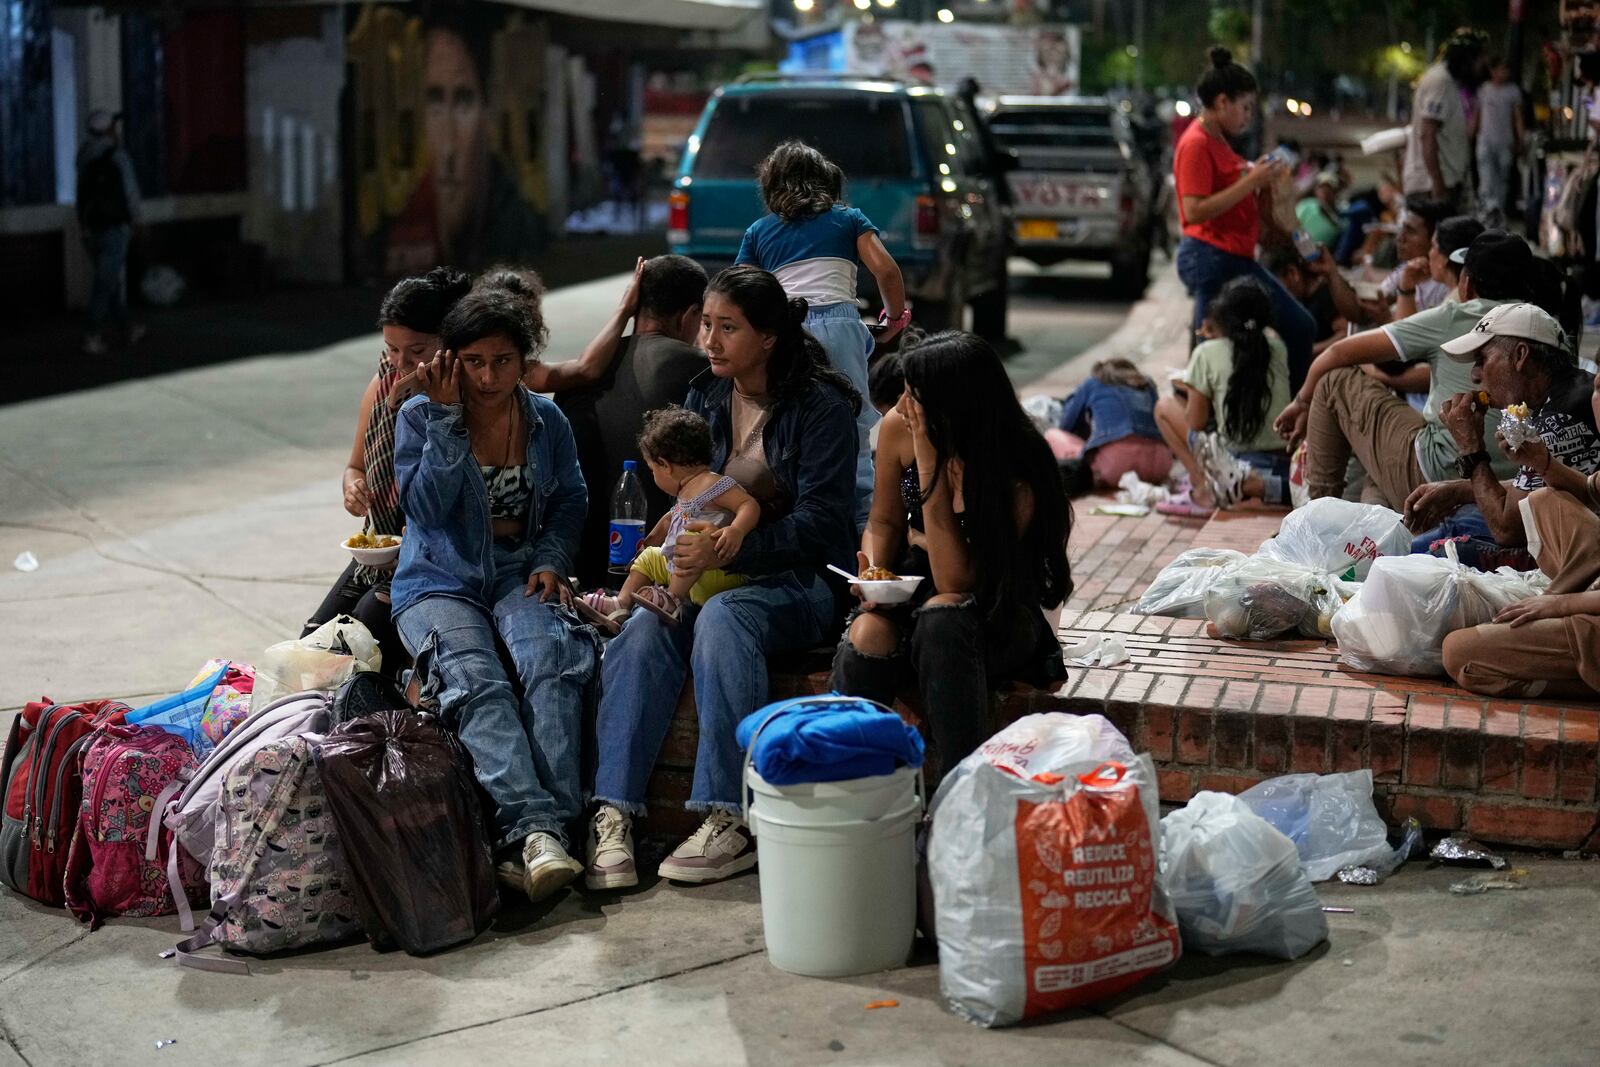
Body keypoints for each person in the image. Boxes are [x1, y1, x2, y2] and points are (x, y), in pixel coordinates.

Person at [586, 266, 859, 891]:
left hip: (801, 581)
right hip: (712, 576)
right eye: (706, 323)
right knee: (647, 627)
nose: (709, 339)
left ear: (768, 337)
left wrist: (729, 555)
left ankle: (727, 816)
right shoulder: (706, 395)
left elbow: (822, 524)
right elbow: (691, 493)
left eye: (727, 328)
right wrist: (673, 550)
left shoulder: (820, 408)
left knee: (724, 617)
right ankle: (614, 813)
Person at [390, 284, 597, 904]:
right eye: (474, 361)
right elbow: (424, 508)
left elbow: (570, 501)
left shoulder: (547, 419)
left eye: (502, 361)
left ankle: (547, 835)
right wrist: (449, 422)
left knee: (551, 662)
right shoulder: (418, 417)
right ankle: (534, 830)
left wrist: (554, 558)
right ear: (452, 359)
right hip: (437, 579)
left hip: (519, 569)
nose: (488, 376)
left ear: (523, 360)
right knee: (475, 678)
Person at [830, 331, 1070, 778]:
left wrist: (928, 466)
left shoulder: (1016, 469)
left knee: (943, 617)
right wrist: (876, 572)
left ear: (955, 404)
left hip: (995, 611)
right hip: (917, 594)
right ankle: (850, 787)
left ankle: (960, 791)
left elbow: (957, 582)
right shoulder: (902, 427)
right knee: (867, 633)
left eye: (914, 396)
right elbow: (882, 521)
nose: (901, 407)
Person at [1274, 230, 1534, 513]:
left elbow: (1339, 353)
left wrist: (1301, 402)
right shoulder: (1543, 322)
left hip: (1447, 470)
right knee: (1377, 469)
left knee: (1333, 382)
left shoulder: (1456, 314)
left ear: (1467, 283)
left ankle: (1316, 518)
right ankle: (1365, 535)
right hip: (1521, 478)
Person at [304, 267, 473, 675]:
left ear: (447, 341)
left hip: (436, 557)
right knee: (311, 643)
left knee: (361, 635)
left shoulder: (466, 398)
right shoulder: (384, 382)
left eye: (416, 351)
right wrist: (353, 488)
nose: (401, 363)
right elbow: (355, 465)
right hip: (379, 551)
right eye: (392, 349)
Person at [736, 140, 907, 528]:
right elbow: (886, 271)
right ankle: (864, 527)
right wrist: (895, 319)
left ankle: (797, 515)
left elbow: (741, 289)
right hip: (841, 326)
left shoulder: (760, 231)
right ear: (827, 184)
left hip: (785, 333)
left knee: (789, 422)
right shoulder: (849, 219)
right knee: (854, 424)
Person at [529, 255, 709, 588]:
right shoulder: (702, 371)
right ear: (691, 315)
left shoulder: (579, 373)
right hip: (662, 568)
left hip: (578, 563)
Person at [1173, 47, 1317, 392]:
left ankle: (1289, 412)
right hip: (1210, 256)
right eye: (1245, 107)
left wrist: (1257, 176)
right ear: (1222, 102)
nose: (1248, 116)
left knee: (1298, 328)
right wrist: (1251, 180)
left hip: (1234, 257)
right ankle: (1200, 429)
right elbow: (1193, 211)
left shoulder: (1218, 140)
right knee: (1207, 348)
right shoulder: (1195, 144)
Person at [1407, 303, 1600, 561]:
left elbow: (1506, 529)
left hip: (1584, 557)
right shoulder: (1569, 391)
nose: (1475, 376)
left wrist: (1471, 447)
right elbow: (1541, 486)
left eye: (1482, 359)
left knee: (1433, 550)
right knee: (1457, 519)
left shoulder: (1560, 420)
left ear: (1520, 356)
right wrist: (1457, 490)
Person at [382, 13, 545, 274]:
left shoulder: (516, 219)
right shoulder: (393, 215)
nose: (449, 147)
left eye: (464, 101)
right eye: (433, 102)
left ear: (487, 116)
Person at [577, 407, 760, 632]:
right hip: (687, 573)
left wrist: (736, 530)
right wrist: (647, 544)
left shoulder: (714, 483)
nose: (654, 476)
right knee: (648, 558)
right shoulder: (685, 492)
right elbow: (668, 520)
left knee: (691, 540)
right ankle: (621, 604)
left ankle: (673, 598)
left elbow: (748, 504)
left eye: (653, 470)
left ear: (665, 466)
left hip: (715, 571)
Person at [1154, 279, 1294, 515]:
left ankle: (1204, 491)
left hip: (1235, 462)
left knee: (1165, 406)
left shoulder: (1206, 353)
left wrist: (1193, 385)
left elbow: (1196, 422)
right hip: (1282, 462)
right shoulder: (1278, 347)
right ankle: (1263, 488)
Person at [1050, 359, 1173, 495]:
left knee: (1052, 435)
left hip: (1116, 468)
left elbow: (1067, 425)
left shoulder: (1093, 382)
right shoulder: (1147, 384)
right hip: (1160, 466)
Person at [75, 110, 142, 356]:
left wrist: (83, 224)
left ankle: (127, 327)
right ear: (108, 130)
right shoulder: (117, 157)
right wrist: (136, 219)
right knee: (105, 283)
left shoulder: (83, 156)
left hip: (91, 226)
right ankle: (91, 335)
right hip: (115, 226)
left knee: (109, 280)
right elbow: (130, 191)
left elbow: (81, 194)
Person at [1403, 28, 1487, 208]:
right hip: (1432, 186)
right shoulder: (1440, 82)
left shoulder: (1450, 83)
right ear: (1467, 59)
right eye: (1479, 58)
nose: (1482, 64)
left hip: (1445, 181)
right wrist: (1437, 183)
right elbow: (1428, 134)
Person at [1262, 244, 1367, 352]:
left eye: (1278, 286)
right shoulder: (1300, 299)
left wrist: (1307, 352)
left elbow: (1345, 334)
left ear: (1292, 273)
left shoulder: (1327, 293)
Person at [1475, 60, 1524, 222]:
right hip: (1485, 140)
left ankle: (1499, 211)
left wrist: (1520, 138)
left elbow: (1517, 117)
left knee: (1503, 178)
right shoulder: (1483, 90)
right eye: (1502, 70)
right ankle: (1488, 211)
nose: (1505, 74)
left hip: (1505, 141)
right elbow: (1477, 114)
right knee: (1486, 177)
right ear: (1492, 71)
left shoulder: (1512, 91)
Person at [1295, 171, 1344, 249]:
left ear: (1335, 192)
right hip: (1299, 247)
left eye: (1329, 188)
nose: (1325, 191)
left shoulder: (1342, 210)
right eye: (1321, 187)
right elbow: (1294, 226)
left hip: (1323, 253)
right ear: (1316, 190)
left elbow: (1342, 228)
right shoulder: (1306, 205)